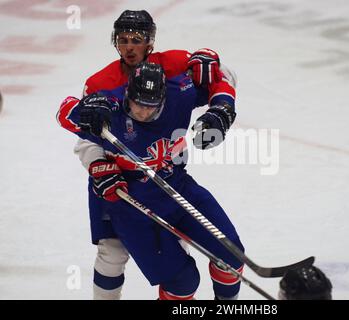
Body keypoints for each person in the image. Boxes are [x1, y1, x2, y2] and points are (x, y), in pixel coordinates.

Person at [57, 9, 237, 299]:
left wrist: (221, 107)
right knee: (113, 254)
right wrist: (99, 165)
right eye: (123, 39)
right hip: (120, 185)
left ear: (150, 42)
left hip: (170, 177)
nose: (129, 47)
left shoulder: (175, 67)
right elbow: (85, 134)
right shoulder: (102, 86)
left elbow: (222, 75)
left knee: (188, 263)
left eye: (136, 40)